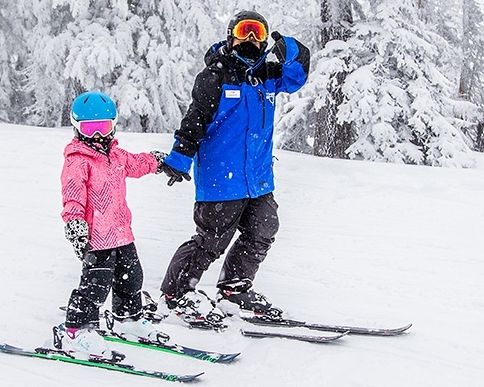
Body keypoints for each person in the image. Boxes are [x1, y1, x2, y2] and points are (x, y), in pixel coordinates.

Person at [157, 10, 310, 328]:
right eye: (244, 31)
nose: (251, 39)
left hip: (257, 178)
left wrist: (290, 48)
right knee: (211, 239)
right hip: (221, 178)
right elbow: (195, 119)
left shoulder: (268, 74)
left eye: (258, 33)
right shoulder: (216, 75)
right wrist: (179, 158)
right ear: (231, 35)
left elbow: (297, 76)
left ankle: (234, 288)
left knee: (263, 229)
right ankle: (177, 293)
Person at [55, 90, 169, 361]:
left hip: (121, 232)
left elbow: (137, 163)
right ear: (77, 128)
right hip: (97, 238)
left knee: (132, 278)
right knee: (95, 286)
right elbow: (72, 198)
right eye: (89, 129)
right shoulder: (77, 162)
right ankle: (75, 331)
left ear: (113, 126)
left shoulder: (116, 155)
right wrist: (75, 225)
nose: (97, 136)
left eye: (103, 127)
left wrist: (158, 161)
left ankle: (127, 318)